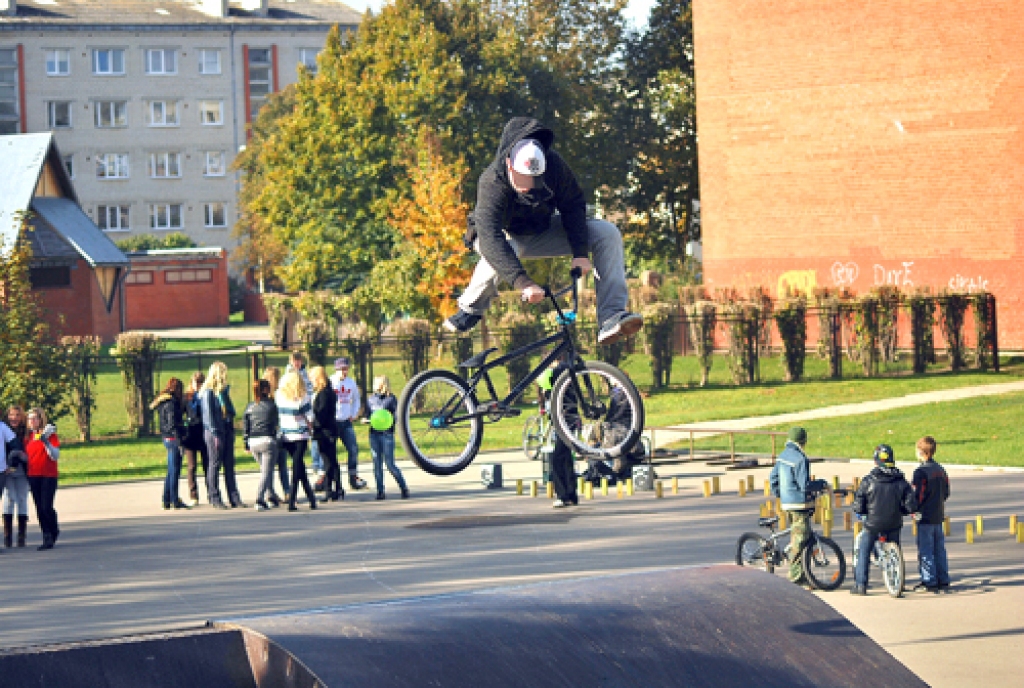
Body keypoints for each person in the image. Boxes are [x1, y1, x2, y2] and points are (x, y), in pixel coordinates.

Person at [444, 117, 643, 347]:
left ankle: (611, 316)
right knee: (502, 249)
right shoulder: (492, 182)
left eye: (533, 180)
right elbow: (490, 238)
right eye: (522, 180)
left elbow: (573, 205)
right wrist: (523, 282)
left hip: (541, 231)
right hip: (500, 236)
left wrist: (580, 253)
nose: (528, 186)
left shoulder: (555, 166)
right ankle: (470, 309)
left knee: (607, 233)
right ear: (509, 165)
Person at [851, 444, 917, 596]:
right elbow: (911, 505)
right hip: (894, 522)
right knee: (896, 547)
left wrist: (861, 512)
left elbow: (859, 504)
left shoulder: (868, 481)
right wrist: (902, 511)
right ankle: (899, 578)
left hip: (873, 524)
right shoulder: (901, 481)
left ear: (875, 461)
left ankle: (861, 584)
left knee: (864, 551)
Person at [769, 427, 814, 586]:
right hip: (799, 504)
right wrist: (820, 485)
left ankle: (802, 572)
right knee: (800, 540)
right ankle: (795, 577)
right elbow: (805, 485)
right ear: (803, 442)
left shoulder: (782, 456)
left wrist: (780, 494)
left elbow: (773, 478)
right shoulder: (801, 459)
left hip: (786, 503)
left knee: (796, 534)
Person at [200, 361, 245, 509]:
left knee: (229, 465)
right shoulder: (208, 393)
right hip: (214, 433)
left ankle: (234, 497)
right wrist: (215, 434)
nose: (226, 376)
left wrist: (225, 398)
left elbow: (231, 412)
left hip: (226, 430)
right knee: (214, 464)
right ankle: (214, 497)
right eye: (224, 373)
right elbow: (209, 417)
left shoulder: (222, 393)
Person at [911, 436, 951, 592]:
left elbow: (918, 494)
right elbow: (947, 491)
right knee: (939, 548)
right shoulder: (940, 470)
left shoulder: (921, 472)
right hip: (938, 513)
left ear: (921, 452)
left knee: (926, 549)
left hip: (925, 515)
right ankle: (943, 578)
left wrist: (914, 508)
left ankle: (929, 580)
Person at [276, 371, 318, 511]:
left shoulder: (279, 396)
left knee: (298, 465)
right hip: (300, 435)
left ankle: (311, 499)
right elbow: (310, 417)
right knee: (297, 466)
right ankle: (292, 499)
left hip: (285, 435)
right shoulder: (303, 397)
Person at [365, 376, 408, 501]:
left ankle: (403, 487)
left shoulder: (391, 399)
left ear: (383, 384)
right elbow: (368, 415)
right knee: (377, 464)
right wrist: (366, 420)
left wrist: (389, 421)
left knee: (390, 464)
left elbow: (397, 415)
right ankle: (380, 491)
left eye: (376, 382)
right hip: (374, 434)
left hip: (387, 434)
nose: (374, 385)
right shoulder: (371, 400)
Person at [24, 408, 60, 550]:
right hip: (33, 475)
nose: (32, 421)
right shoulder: (28, 437)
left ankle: (54, 528)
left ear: (41, 420)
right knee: (39, 507)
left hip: (48, 475)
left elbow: (55, 455)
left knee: (46, 506)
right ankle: (47, 535)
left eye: (35, 418)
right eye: (30, 418)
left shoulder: (49, 434)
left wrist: (45, 441)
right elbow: (27, 456)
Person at [287, 352, 324, 484]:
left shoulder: (304, 373)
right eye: (295, 361)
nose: (297, 364)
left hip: (307, 404)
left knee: (313, 436)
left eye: (299, 361)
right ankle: (313, 466)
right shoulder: (289, 374)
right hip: (296, 409)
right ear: (291, 362)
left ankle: (318, 466)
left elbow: (309, 388)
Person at [151, 378, 188, 510]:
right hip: (173, 439)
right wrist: (179, 441)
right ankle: (174, 499)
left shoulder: (164, 402)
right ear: (176, 389)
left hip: (166, 438)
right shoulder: (171, 403)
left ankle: (166, 499)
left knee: (171, 470)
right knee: (175, 470)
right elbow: (172, 424)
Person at [244, 379, 280, 512]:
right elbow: (275, 423)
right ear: (265, 390)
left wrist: (245, 442)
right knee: (266, 472)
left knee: (266, 469)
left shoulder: (250, 406)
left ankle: (270, 496)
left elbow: (246, 424)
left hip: (253, 441)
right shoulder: (271, 405)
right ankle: (259, 499)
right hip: (267, 440)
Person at [331, 357, 367, 490]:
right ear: (337, 369)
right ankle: (328, 479)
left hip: (346, 422)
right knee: (331, 452)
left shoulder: (351, 383)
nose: (344, 372)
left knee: (353, 449)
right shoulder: (331, 382)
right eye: (342, 369)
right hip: (334, 422)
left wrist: (354, 413)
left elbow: (356, 399)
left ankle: (353, 476)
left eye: (346, 369)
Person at [311, 366, 343, 501]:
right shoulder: (328, 391)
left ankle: (329, 489)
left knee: (328, 461)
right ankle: (338, 488)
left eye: (313, 377)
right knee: (332, 461)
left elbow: (322, 413)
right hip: (329, 430)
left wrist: (313, 425)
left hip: (325, 431)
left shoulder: (324, 393)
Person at [3, 406, 30, 548]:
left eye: (17, 415)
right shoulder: (3, 430)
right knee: (9, 498)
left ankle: (21, 535)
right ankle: (7, 537)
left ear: (22, 417)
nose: (14, 418)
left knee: (22, 498)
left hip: (22, 471)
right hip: (7, 470)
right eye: (11, 415)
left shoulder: (26, 431)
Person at [262, 366, 289, 505]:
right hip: (280, 430)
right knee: (282, 465)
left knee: (270, 466)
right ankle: (287, 491)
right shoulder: (280, 393)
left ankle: (270, 492)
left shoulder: (263, 395)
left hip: (268, 432)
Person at [181, 372, 209, 507]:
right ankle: (193, 495)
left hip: (203, 434)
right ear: (191, 383)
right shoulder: (187, 397)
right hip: (190, 435)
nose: (197, 385)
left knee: (207, 465)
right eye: (195, 383)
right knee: (191, 466)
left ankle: (211, 492)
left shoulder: (206, 396)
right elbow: (180, 414)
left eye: (200, 383)